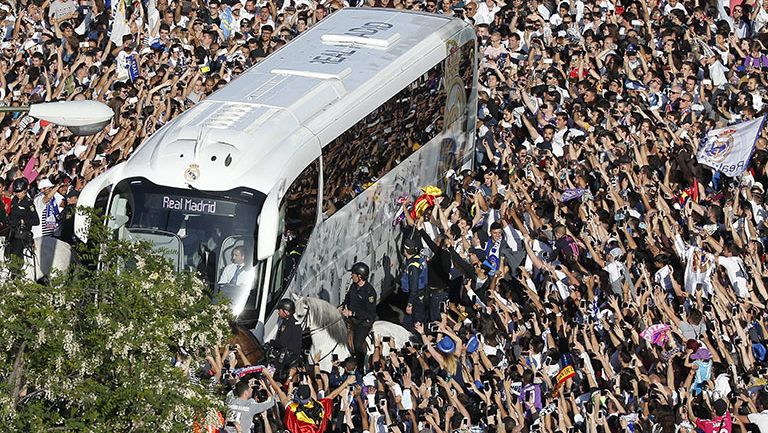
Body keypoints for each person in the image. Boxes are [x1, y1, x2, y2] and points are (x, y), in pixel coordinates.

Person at [340, 262, 377, 367]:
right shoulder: (353, 286)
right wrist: (343, 306)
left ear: (359, 277)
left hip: (363, 321)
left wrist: (352, 313)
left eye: (353, 274)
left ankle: (360, 367)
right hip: (350, 317)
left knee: (357, 344)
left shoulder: (370, 292)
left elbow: (370, 313)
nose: (351, 276)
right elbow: (348, 298)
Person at [268, 298, 303, 380]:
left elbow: (282, 343)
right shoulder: (296, 323)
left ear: (286, 311)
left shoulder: (287, 323)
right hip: (295, 356)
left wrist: (271, 343)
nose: (278, 312)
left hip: (286, 358)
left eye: (280, 310)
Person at [7, 178, 39, 263]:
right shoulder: (14, 200)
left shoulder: (29, 203)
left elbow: (36, 221)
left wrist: (24, 221)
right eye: (16, 192)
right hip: (11, 231)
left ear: (25, 190)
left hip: (22, 234)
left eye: (20, 191)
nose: (18, 194)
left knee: (15, 254)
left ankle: (15, 273)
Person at [401, 237, 428, 327]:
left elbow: (414, 286)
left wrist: (410, 303)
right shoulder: (419, 259)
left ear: (406, 250)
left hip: (415, 297)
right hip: (421, 293)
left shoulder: (413, 267)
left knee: (414, 322)